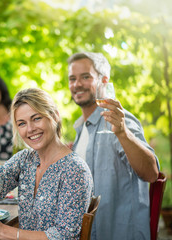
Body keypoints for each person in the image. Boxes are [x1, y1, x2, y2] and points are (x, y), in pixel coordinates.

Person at [0, 88, 93, 239]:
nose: (30, 129)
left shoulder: (75, 170)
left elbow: (64, 236)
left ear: (55, 116)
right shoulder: (25, 159)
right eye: (22, 123)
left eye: (36, 118)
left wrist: (1, 230)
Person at [67, 52, 159, 240]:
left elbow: (151, 173)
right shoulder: (81, 128)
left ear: (104, 80)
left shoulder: (118, 121)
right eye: (72, 79)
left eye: (86, 77)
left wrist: (123, 132)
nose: (77, 84)